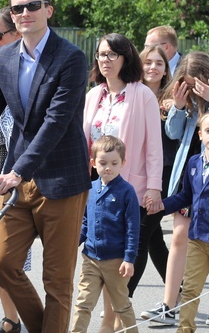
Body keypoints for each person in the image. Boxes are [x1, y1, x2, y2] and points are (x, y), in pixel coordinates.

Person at [0, 0, 92, 333]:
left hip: (61, 179)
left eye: (33, 6)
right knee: (2, 264)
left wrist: (17, 171)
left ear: (48, 10)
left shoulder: (71, 58)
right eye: (18, 8)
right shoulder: (3, 57)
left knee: (57, 280)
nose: (25, 13)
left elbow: (56, 122)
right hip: (18, 183)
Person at [142, 51, 209, 326]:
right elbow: (173, 132)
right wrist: (180, 106)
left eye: (196, 85)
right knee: (180, 237)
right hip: (191, 175)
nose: (191, 90)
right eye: (187, 84)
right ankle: (171, 304)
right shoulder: (188, 102)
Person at [82, 33, 163, 331]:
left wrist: (154, 186)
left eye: (112, 55)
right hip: (96, 190)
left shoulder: (141, 94)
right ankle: (111, 321)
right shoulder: (93, 96)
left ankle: (111, 321)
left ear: (126, 58)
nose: (105, 60)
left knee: (120, 260)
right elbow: (85, 145)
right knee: (100, 257)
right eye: (101, 55)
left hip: (132, 189)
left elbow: (153, 145)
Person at [0, 7, 28, 333]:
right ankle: (10, 317)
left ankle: (17, 318)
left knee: (10, 262)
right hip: (2, 183)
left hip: (27, 182)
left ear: (17, 35)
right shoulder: (1, 69)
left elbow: (15, 135)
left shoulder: (26, 74)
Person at [71, 135, 139, 333]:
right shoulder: (90, 189)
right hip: (90, 258)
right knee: (83, 303)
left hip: (116, 262)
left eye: (114, 163)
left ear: (123, 163)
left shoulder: (127, 191)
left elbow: (133, 228)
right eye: (102, 163)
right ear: (93, 163)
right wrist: (73, 243)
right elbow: (85, 222)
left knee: (121, 305)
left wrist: (129, 259)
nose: (108, 167)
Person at [129, 46, 177, 294]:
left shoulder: (175, 98)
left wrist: (176, 108)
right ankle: (178, 291)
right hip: (137, 175)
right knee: (154, 239)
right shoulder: (131, 93)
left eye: (160, 63)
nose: (153, 68)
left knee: (140, 237)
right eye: (148, 62)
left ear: (166, 69)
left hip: (165, 177)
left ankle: (123, 300)